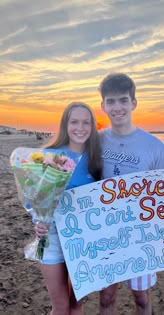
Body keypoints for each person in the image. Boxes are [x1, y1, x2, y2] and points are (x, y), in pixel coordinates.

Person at [98, 73, 164, 315]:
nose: (117, 107)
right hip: (104, 234)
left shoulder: (153, 145)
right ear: (103, 105)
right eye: (111, 101)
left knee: (141, 297)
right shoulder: (95, 141)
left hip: (141, 235)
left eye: (123, 100)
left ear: (133, 103)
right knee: (106, 298)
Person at [34, 102, 103, 315]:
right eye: (74, 122)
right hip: (51, 238)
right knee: (61, 307)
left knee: (77, 305)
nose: (80, 128)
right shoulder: (50, 155)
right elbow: (35, 198)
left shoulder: (97, 159)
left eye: (86, 122)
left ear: (92, 126)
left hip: (83, 239)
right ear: (65, 125)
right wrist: (38, 222)